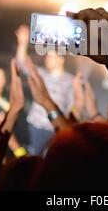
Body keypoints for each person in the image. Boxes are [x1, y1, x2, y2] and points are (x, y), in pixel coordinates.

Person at [15, 25, 74, 155]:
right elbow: (21, 62)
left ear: (61, 60)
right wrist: (23, 43)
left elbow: (72, 107)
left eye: (51, 56)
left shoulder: (70, 81)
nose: (47, 59)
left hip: (55, 128)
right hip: (36, 126)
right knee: (36, 160)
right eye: (47, 56)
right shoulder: (41, 74)